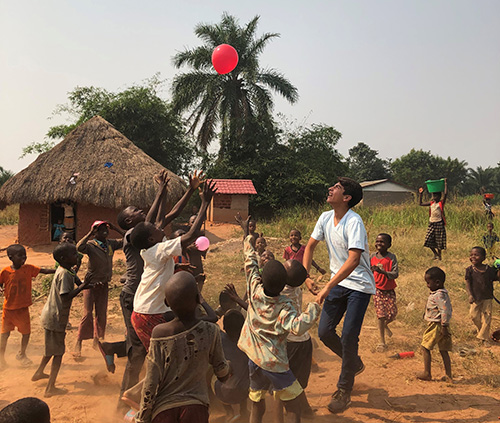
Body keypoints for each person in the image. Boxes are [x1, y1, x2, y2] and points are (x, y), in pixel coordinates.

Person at [115, 170, 205, 406]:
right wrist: (204, 202)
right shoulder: (139, 239)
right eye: (135, 212)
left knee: (160, 357)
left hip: (147, 307)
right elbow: (187, 232)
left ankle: (138, 398)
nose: (160, 226)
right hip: (140, 306)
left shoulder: (149, 240)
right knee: (154, 358)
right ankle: (136, 401)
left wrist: (185, 189)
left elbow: (165, 214)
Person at [303, 177, 375, 414]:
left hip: (359, 286)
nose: (330, 189)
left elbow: (354, 260)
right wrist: (306, 276)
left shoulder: (354, 222)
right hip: (338, 283)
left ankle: (344, 390)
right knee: (324, 332)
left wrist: (327, 286)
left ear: (346, 198)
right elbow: (310, 246)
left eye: (336, 188)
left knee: (348, 336)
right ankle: (352, 362)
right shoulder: (325, 217)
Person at [238, 233, 321, 423]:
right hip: (275, 363)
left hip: (253, 359)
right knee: (292, 405)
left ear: (261, 277)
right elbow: (298, 327)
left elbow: (250, 263)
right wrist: (314, 306)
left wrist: (247, 238)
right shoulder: (284, 307)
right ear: (284, 283)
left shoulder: (254, 289)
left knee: (257, 403)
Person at [130, 180, 217, 351]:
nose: (158, 226)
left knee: (165, 356)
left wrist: (190, 190)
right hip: (151, 314)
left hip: (144, 311)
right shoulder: (159, 249)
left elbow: (172, 212)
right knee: (169, 358)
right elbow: (191, 235)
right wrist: (205, 203)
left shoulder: (150, 247)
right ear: (151, 238)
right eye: (155, 227)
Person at [135, 271, 230, 423]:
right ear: (198, 299)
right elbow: (222, 372)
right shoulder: (210, 331)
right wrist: (227, 370)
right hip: (196, 409)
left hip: (164, 410)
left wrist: (143, 417)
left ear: (166, 302)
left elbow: (151, 382)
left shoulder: (159, 334)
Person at [32, 243, 90, 397]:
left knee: (52, 349)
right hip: (55, 318)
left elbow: (77, 281)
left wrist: (85, 284)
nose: (76, 256)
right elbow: (65, 296)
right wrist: (82, 287)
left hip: (51, 316)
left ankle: (39, 372)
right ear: (63, 258)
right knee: (58, 353)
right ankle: (50, 388)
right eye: (73, 254)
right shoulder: (64, 274)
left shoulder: (66, 270)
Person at [0, 244, 55, 369]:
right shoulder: (5, 272)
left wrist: (59, 270)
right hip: (8, 310)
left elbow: (44, 271)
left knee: (26, 333)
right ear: (10, 257)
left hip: (23, 309)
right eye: (20, 256)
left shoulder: (29, 269)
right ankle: (1, 358)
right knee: (5, 334)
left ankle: (22, 354)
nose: (23, 258)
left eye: (25, 255)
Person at [74, 221, 124, 356]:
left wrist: (116, 228)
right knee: (87, 314)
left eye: (106, 229)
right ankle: (78, 342)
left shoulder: (110, 244)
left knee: (101, 315)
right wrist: (90, 233)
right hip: (91, 284)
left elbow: (128, 239)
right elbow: (79, 247)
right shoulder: (91, 245)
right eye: (101, 230)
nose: (105, 232)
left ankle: (97, 340)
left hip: (104, 284)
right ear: (95, 232)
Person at [212, 309, 250, 422]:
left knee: (212, 373)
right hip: (244, 390)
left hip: (223, 392)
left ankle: (228, 411)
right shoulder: (248, 341)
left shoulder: (219, 338)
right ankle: (243, 410)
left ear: (224, 327)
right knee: (245, 371)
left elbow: (211, 320)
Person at [417, 267, 452, 382]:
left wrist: (444, 326)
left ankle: (427, 373)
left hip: (436, 326)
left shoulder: (439, 295)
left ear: (437, 282)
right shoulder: (440, 293)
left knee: (425, 347)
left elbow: (444, 310)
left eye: (428, 282)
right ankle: (448, 375)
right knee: (443, 350)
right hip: (441, 326)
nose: (427, 285)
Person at [465, 246, 500, 344]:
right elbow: (467, 283)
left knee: (487, 317)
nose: (473, 257)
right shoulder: (470, 270)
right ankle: (481, 332)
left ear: (483, 258)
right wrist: (470, 295)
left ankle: (484, 338)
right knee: (474, 316)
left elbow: (496, 278)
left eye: (476, 255)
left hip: (487, 297)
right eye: (471, 255)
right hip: (475, 297)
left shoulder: (489, 269)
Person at [370, 233, 399, 352]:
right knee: (381, 315)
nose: (379, 244)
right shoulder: (372, 257)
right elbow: (367, 270)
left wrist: (382, 272)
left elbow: (395, 273)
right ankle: (381, 342)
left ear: (389, 245)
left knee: (392, 313)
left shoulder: (392, 258)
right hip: (377, 290)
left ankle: (385, 324)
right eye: (377, 241)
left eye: (382, 242)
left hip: (389, 289)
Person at [419, 179, 448, 260]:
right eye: (433, 196)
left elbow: (445, 194)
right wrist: (421, 194)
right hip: (431, 223)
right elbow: (420, 204)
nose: (434, 197)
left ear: (439, 197)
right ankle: (435, 254)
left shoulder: (440, 203)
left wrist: (445, 183)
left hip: (439, 223)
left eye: (435, 196)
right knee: (428, 240)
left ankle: (439, 255)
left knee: (439, 241)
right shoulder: (431, 203)